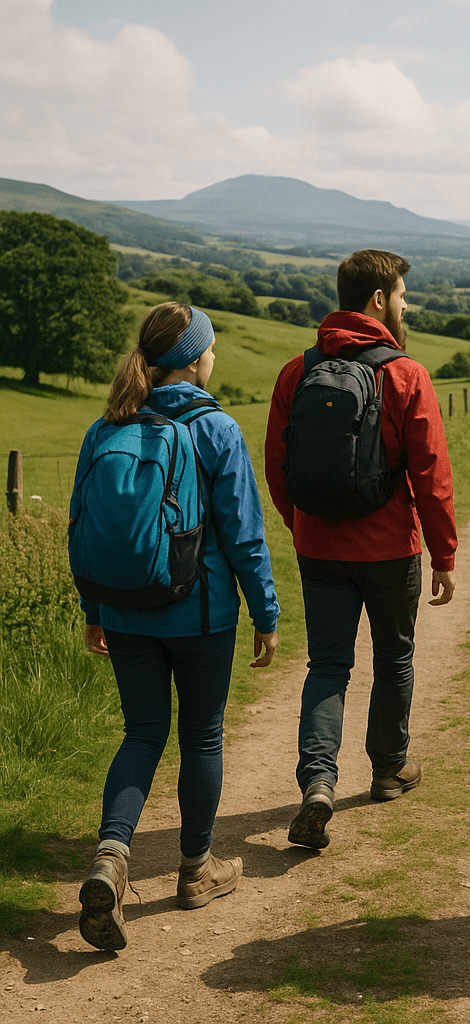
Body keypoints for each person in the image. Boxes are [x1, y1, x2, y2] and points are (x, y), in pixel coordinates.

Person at [73, 302, 280, 952]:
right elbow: (245, 536)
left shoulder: (106, 424)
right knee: (202, 737)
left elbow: (84, 527)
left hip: (127, 610)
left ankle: (111, 857)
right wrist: (266, 614)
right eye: (210, 347)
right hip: (202, 615)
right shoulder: (216, 428)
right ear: (195, 358)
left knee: (141, 733)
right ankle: (195, 870)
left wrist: (94, 610)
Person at [265, 249, 457, 850]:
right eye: (402, 295)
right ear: (378, 299)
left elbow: (278, 467)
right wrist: (443, 554)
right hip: (389, 548)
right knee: (394, 657)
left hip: (319, 546)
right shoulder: (405, 374)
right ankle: (387, 769)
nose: (406, 305)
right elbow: (430, 472)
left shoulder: (297, 372)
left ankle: (318, 782)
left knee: (327, 665)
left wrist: (303, 525)